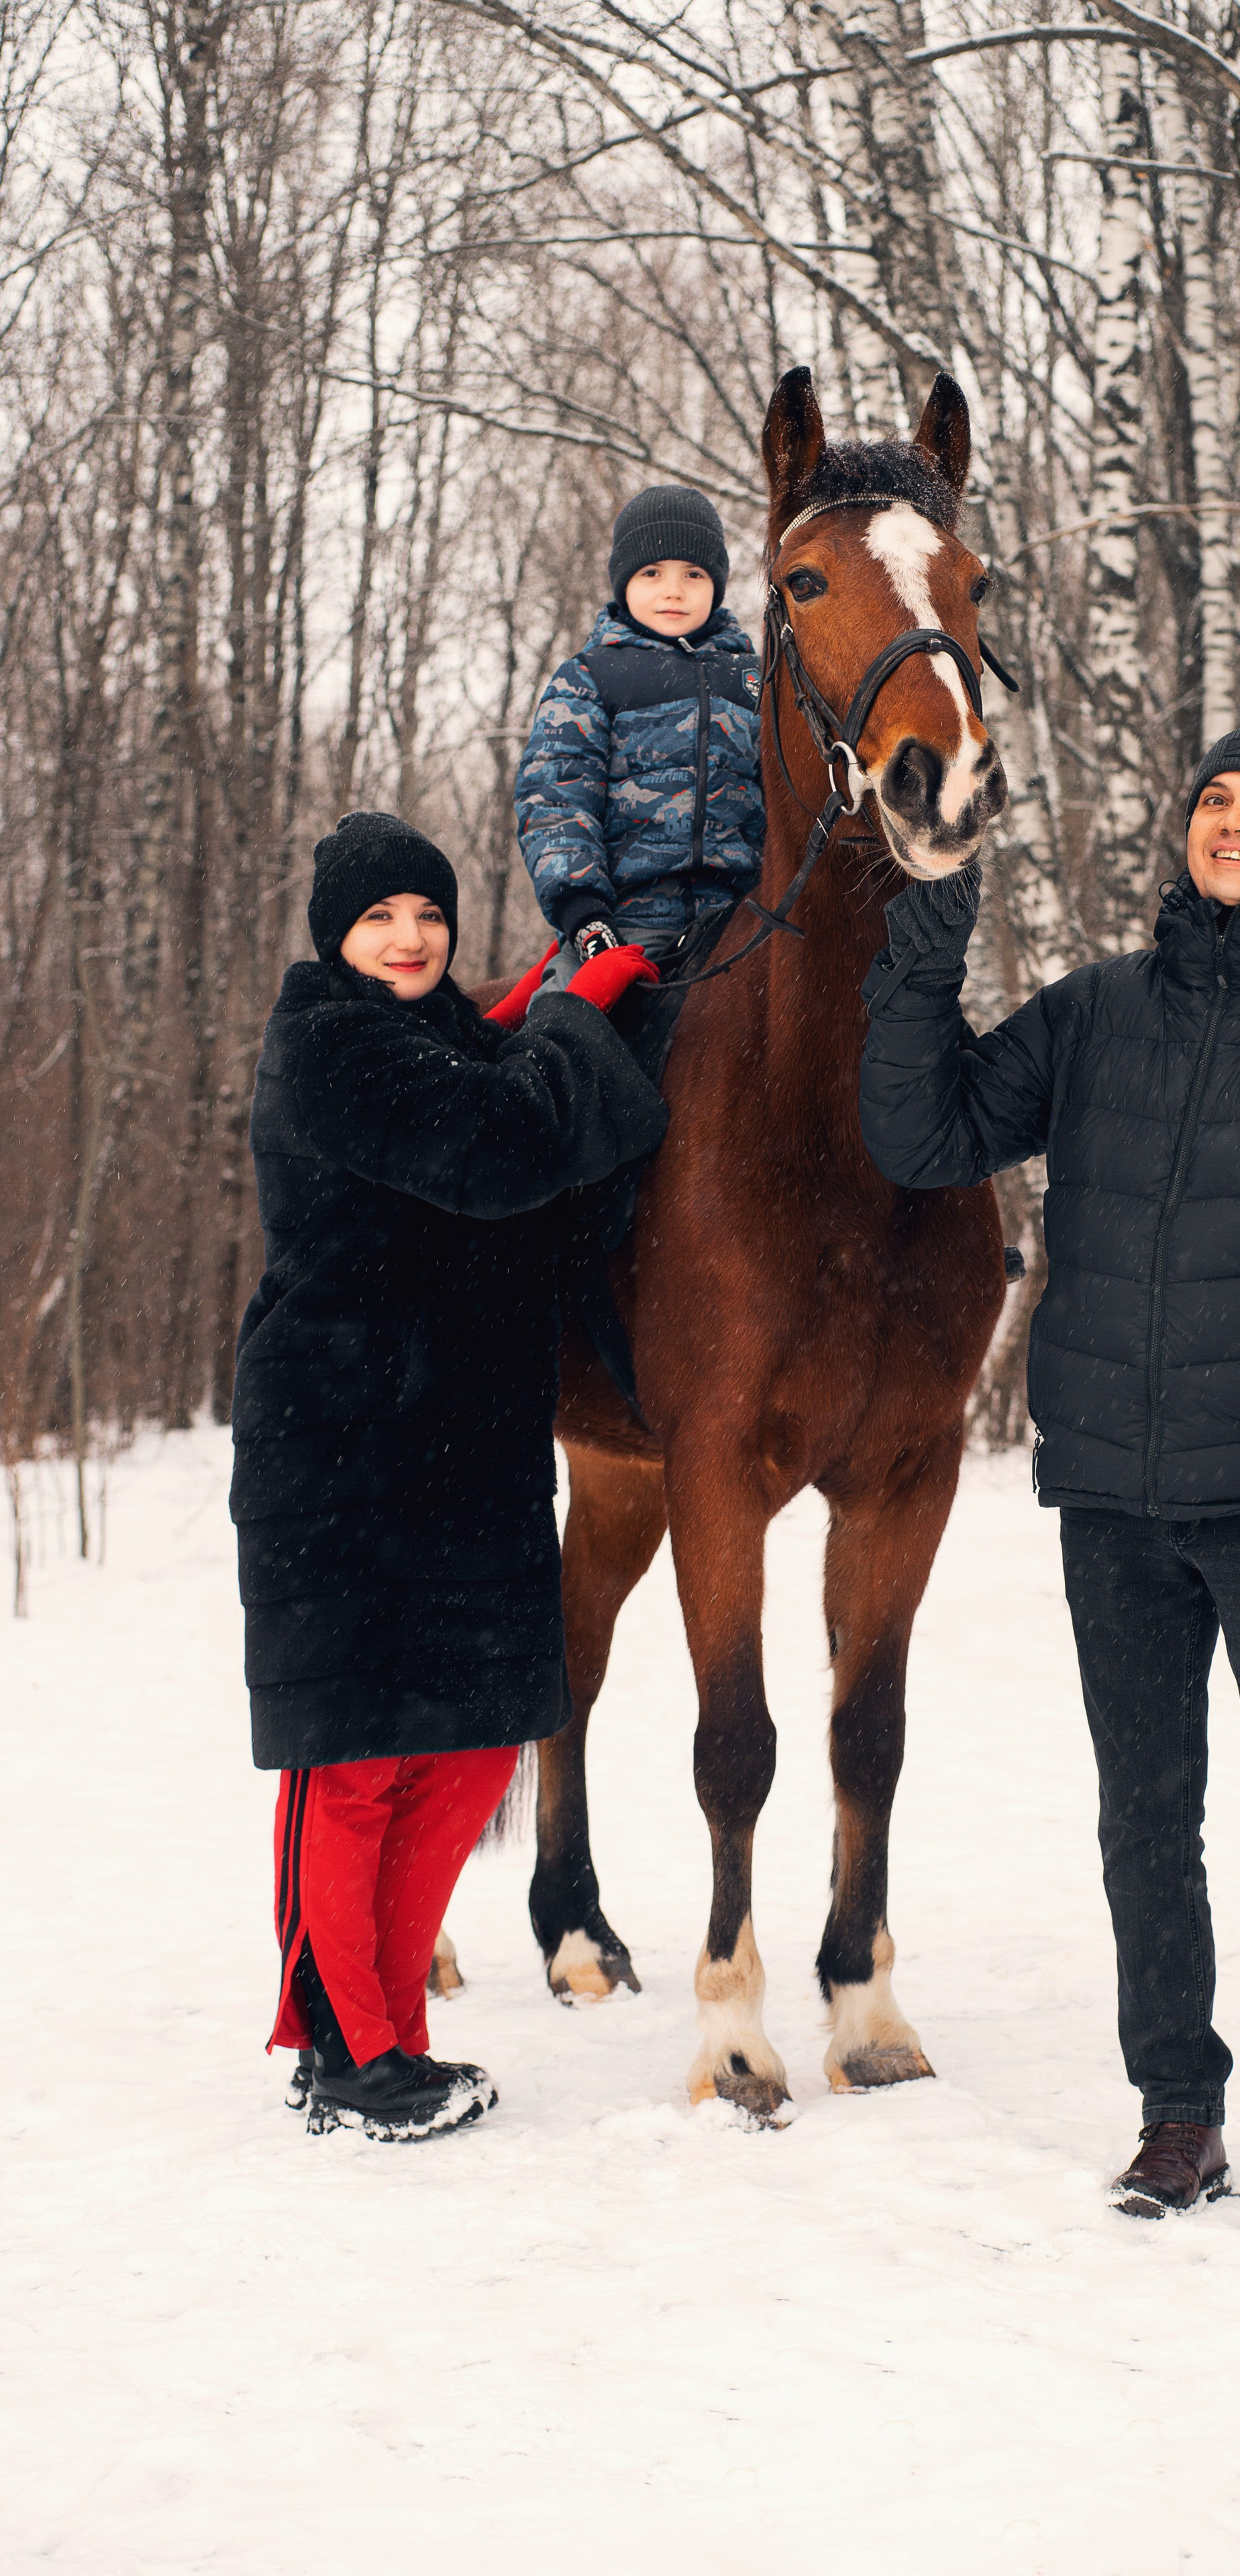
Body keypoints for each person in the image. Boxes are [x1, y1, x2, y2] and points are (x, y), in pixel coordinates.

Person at [858, 722, 1240, 2241]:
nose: (1231, 821)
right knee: (1143, 1818)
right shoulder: (1098, 1014)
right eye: (1212, 798)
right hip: (1116, 1500)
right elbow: (919, 1124)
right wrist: (931, 906)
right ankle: (1177, 2115)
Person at [231, 810, 665, 2141]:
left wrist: (540, 1013)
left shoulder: (439, 1039)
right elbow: (498, 1144)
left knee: (474, 1746)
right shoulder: (331, 1043)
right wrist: (573, 1022)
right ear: (336, 939)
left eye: (426, 915)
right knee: (358, 1755)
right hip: (344, 1442)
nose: (410, 938)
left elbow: (523, 1107)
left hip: (469, 1447)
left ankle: (389, 2034)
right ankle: (348, 2047)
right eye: (380, 920)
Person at [514, 485, 764, 973]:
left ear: (717, 583)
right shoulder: (591, 676)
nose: (673, 590)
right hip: (627, 922)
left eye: (693, 574)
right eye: (652, 573)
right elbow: (555, 798)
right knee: (567, 1022)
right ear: (623, 581)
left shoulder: (755, 680)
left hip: (743, 921)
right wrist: (584, 913)